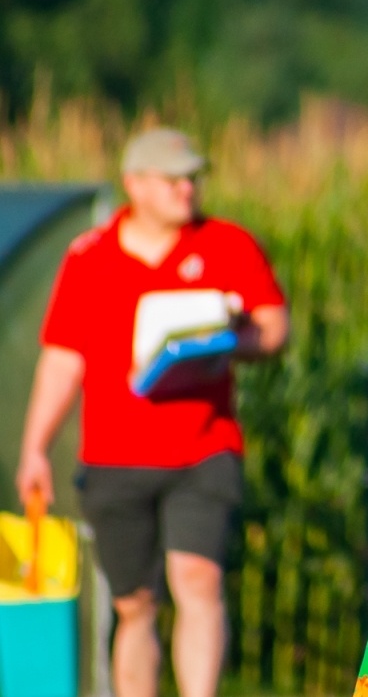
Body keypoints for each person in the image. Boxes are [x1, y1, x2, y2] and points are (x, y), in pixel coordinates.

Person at [15, 128, 289, 697]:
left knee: (198, 579)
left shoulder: (228, 245)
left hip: (203, 449)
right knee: (134, 604)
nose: (187, 189)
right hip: (114, 458)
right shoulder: (89, 257)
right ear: (134, 184)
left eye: (193, 177)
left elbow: (273, 326)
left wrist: (225, 340)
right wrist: (35, 448)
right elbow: (62, 362)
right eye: (173, 179)